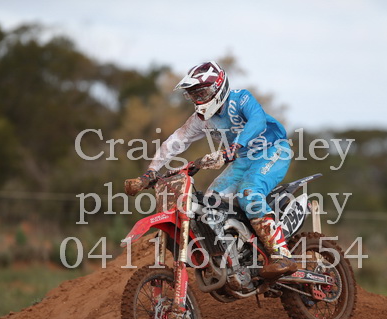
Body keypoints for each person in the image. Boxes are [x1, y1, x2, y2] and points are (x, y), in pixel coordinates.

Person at [126, 61, 296, 280]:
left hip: (273, 150)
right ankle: (237, 254)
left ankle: (281, 254)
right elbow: (176, 141)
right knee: (211, 203)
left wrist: (234, 147)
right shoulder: (201, 119)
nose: (199, 99)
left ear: (219, 87)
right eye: (193, 95)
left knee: (249, 192)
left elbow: (258, 120)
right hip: (243, 159)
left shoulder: (240, 99)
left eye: (203, 93)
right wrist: (150, 172)